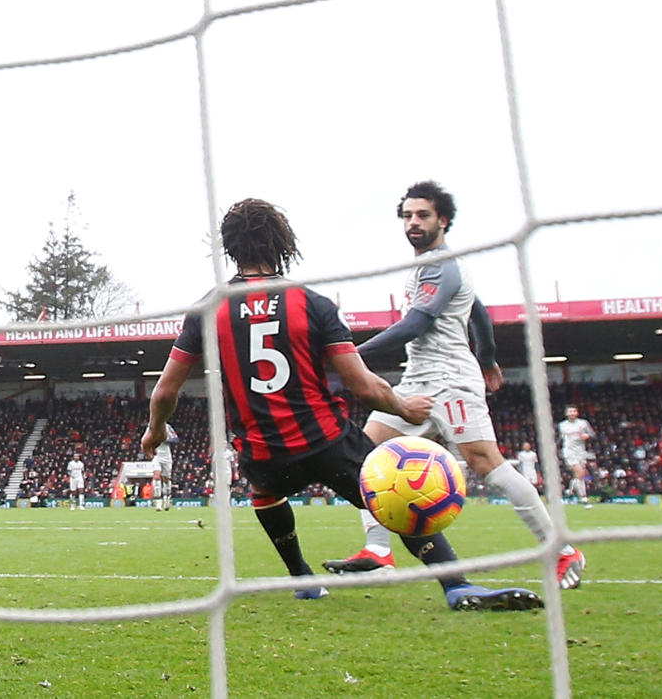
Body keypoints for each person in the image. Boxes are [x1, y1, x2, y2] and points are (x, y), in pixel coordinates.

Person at [142, 198, 541, 610]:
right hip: (326, 442)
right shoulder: (312, 304)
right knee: (392, 495)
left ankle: (303, 578)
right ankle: (456, 585)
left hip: (262, 451)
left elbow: (166, 390)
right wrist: (405, 408)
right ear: (283, 243)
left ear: (230, 248)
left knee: (264, 492)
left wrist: (155, 429)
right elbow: (363, 386)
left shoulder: (208, 309)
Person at [323, 181, 585, 590]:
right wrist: (488, 356)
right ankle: (378, 550)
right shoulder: (431, 265)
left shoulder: (442, 264)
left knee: (486, 463)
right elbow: (478, 311)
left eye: (423, 214)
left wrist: (350, 357)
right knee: (364, 456)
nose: (413, 222)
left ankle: (560, 549)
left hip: (450, 382)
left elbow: (416, 323)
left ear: (443, 221)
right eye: (407, 215)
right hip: (418, 379)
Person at [557, 406, 595, 507]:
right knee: (580, 472)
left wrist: (587, 436)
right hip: (569, 452)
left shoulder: (583, 423)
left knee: (580, 476)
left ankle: (569, 492)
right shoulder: (563, 425)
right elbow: (563, 437)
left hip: (581, 452)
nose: (572, 413)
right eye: (570, 411)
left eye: (574, 411)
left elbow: (592, 434)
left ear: (577, 413)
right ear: (566, 414)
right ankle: (584, 499)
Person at [151, 426, 175, 512]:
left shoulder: (168, 427)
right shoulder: (151, 426)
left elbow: (176, 439)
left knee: (166, 480)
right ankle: (158, 502)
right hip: (156, 456)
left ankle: (167, 499)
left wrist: (165, 440)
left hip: (167, 457)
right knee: (156, 476)